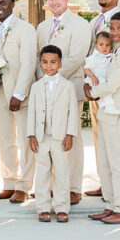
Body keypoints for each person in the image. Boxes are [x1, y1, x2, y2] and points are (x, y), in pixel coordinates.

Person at [35, 0, 90, 204]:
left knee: (70, 137)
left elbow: (77, 56)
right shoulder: (42, 27)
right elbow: (38, 58)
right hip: (45, 91)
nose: (54, 2)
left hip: (69, 87)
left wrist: (53, 78)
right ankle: (52, 186)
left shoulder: (80, 24)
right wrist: (43, 83)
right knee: (50, 137)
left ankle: (73, 187)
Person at [84, 12, 120, 224]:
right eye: (112, 28)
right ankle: (111, 204)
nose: (115, 33)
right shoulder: (116, 49)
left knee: (117, 162)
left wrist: (90, 92)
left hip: (117, 111)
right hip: (106, 110)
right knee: (105, 161)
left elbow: (112, 83)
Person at [0, 0, 38, 203]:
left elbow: (28, 63)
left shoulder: (25, 29)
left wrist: (19, 94)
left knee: (25, 140)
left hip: (21, 94)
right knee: (5, 138)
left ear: (12, 5)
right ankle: (9, 181)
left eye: (3, 3)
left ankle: (24, 185)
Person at [28, 45, 78, 223]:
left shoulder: (68, 86)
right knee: (42, 172)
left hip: (60, 137)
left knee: (62, 173)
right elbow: (32, 112)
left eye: (53, 62)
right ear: (40, 63)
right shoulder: (36, 87)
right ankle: (42, 207)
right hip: (41, 137)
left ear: (60, 64)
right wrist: (31, 135)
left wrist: (70, 134)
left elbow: (73, 112)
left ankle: (62, 207)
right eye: (45, 62)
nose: (49, 66)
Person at [83, 0, 120, 197]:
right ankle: (104, 183)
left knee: (112, 139)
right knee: (98, 137)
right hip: (94, 87)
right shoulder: (94, 21)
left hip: (109, 89)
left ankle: (115, 186)